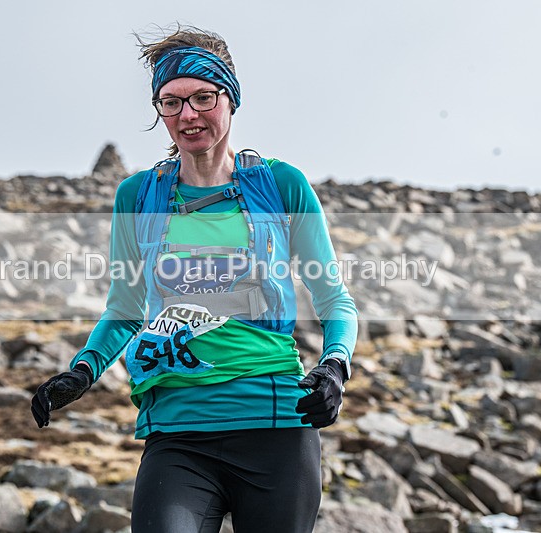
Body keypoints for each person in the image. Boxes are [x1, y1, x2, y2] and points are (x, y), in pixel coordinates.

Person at [31, 25, 359, 533]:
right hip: (177, 432)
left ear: (231, 98)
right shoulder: (138, 197)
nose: (188, 115)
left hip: (275, 425)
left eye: (203, 97)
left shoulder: (281, 185)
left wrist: (335, 366)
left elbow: (334, 298)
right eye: (171, 102)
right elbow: (126, 307)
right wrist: (83, 370)